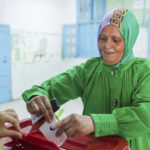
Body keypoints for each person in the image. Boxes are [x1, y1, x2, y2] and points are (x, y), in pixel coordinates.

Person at [22, 8, 150, 150]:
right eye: (103, 38)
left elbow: (145, 116)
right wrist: (36, 96)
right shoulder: (88, 71)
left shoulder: (145, 71)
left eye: (116, 40)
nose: (107, 46)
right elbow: (51, 88)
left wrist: (95, 123)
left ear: (129, 41)